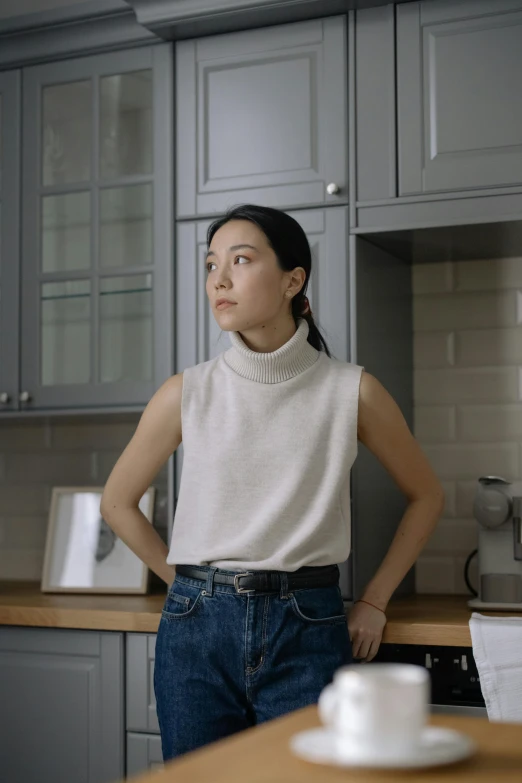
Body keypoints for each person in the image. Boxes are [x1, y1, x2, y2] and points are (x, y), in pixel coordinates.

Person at [100, 204, 444, 761]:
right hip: (194, 636)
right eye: (212, 264)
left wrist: (375, 602)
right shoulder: (185, 392)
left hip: (307, 627)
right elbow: (117, 503)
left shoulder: (352, 391)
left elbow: (427, 496)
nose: (220, 278)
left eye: (241, 259)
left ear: (293, 280)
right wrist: (188, 587)